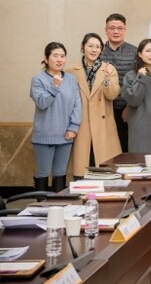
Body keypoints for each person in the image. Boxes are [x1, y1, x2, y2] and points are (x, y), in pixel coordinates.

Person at [66, 33, 121, 179]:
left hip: (103, 125)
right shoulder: (71, 70)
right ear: (82, 47)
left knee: (103, 170)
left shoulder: (109, 69)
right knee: (82, 170)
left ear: (101, 50)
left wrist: (107, 80)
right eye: (90, 46)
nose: (94, 50)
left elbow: (113, 95)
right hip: (81, 124)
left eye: (97, 47)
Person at [30, 42, 81, 192]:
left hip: (66, 135)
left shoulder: (71, 79)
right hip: (44, 136)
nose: (59, 59)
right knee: (43, 173)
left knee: (60, 173)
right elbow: (42, 103)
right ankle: (40, 205)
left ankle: (59, 204)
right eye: (55, 56)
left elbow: (77, 104)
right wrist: (54, 86)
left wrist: (73, 127)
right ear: (46, 59)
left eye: (62, 56)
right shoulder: (38, 79)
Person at [100, 13, 137, 153]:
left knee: (125, 148)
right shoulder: (98, 51)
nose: (116, 31)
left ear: (125, 30)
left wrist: (129, 107)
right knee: (105, 150)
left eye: (120, 28)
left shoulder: (134, 52)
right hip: (102, 109)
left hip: (126, 109)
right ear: (106, 30)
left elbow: (137, 82)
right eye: (112, 28)